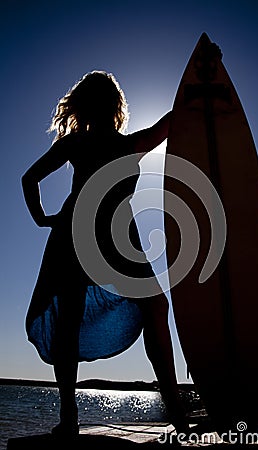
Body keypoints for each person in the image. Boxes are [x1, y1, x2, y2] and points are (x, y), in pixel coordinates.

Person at [22, 71, 189, 437]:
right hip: (97, 238)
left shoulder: (87, 144)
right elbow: (170, 122)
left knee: (92, 316)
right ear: (116, 107)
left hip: (82, 235)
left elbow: (28, 179)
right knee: (150, 307)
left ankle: (73, 418)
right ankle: (173, 410)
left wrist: (41, 219)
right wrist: (201, 88)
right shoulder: (121, 145)